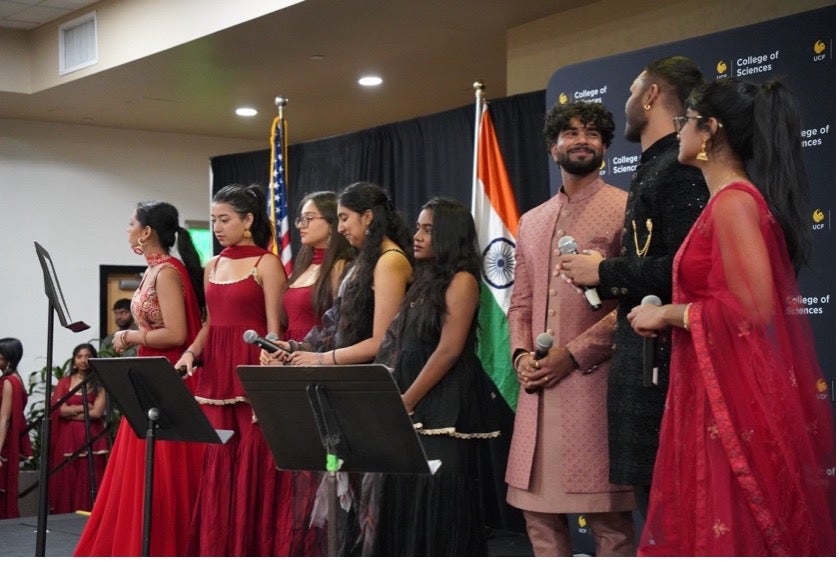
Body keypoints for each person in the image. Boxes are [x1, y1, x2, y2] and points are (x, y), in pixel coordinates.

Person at [627, 78, 835, 556]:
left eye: (685, 123)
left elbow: (754, 306)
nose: (678, 133)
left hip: (732, 392)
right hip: (710, 382)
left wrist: (670, 315)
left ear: (710, 130)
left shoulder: (734, 202)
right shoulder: (727, 201)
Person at [560, 56, 708, 516]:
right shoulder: (656, 165)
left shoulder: (680, 165)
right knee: (655, 507)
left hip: (664, 362)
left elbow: (691, 269)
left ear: (650, 96)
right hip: (646, 361)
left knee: (670, 510)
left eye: (630, 91)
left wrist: (604, 272)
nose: (624, 103)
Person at [505, 101, 635, 556]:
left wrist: (572, 354)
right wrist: (522, 357)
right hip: (537, 390)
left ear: (605, 146)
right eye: (571, 132)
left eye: (593, 134)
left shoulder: (626, 208)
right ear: (552, 146)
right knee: (538, 517)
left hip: (595, 386)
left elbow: (636, 304)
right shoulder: (532, 220)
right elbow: (520, 303)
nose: (582, 140)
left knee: (609, 519)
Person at [268, 181, 413, 555]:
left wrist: (321, 359)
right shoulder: (365, 259)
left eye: (346, 218)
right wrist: (296, 347)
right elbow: (335, 325)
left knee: (369, 510)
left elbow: (383, 342)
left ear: (369, 217)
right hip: (350, 387)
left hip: (373, 394)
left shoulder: (390, 260)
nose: (342, 227)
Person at [74, 200, 205, 556]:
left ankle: (163, 545)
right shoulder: (153, 269)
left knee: (163, 470)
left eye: (130, 222)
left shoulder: (167, 271)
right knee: (142, 465)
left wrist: (131, 337)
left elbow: (177, 334)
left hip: (167, 377)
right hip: (148, 374)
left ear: (146, 232)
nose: (127, 228)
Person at [371, 197, 500, 556]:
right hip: (409, 398)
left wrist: (407, 401)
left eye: (428, 230)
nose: (417, 235)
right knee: (408, 496)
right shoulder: (422, 278)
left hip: (445, 403)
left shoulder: (462, 280)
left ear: (449, 235)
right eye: (418, 227)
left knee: (440, 497)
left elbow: (448, 350)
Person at [177, 183, 288, 556]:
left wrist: (269, 359)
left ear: (249, 220)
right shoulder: (213, 264)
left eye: (224, 219)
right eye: (213, 221)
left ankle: (250, 547)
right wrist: (191, 353)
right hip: (217, 377)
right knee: (219, 463)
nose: (218, 227)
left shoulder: (266, 263)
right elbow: (210, 323)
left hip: (252, 371)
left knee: (253, 463)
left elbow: (276, 326)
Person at [270, 191, 354, 556]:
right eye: (300, 219)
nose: (300, 225)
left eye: (308, 218)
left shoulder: (341, 267)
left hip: (319, 369)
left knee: (319, 471)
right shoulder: (302, 265)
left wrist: (304, 355)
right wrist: (275, 352)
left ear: (333, 224)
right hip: (290, 367)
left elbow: (336, 330)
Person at [49, 343, 109, 514]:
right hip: (68, 437)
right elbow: (58, 409)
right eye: (80, 356)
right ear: (74, 361)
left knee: (90, 474)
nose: (84, 360)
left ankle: (92, 513)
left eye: (88, 356)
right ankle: (65, 514)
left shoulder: (100, 383)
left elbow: (97, 413)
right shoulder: (64, 382)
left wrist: (71, 412)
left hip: (92, 436)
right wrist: (84, 408)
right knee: (68, 475)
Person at [0, 337, 33, 519]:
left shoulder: (8, 382)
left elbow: (4, 419)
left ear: (8, 358)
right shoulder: (16, 379)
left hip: (3, 442)